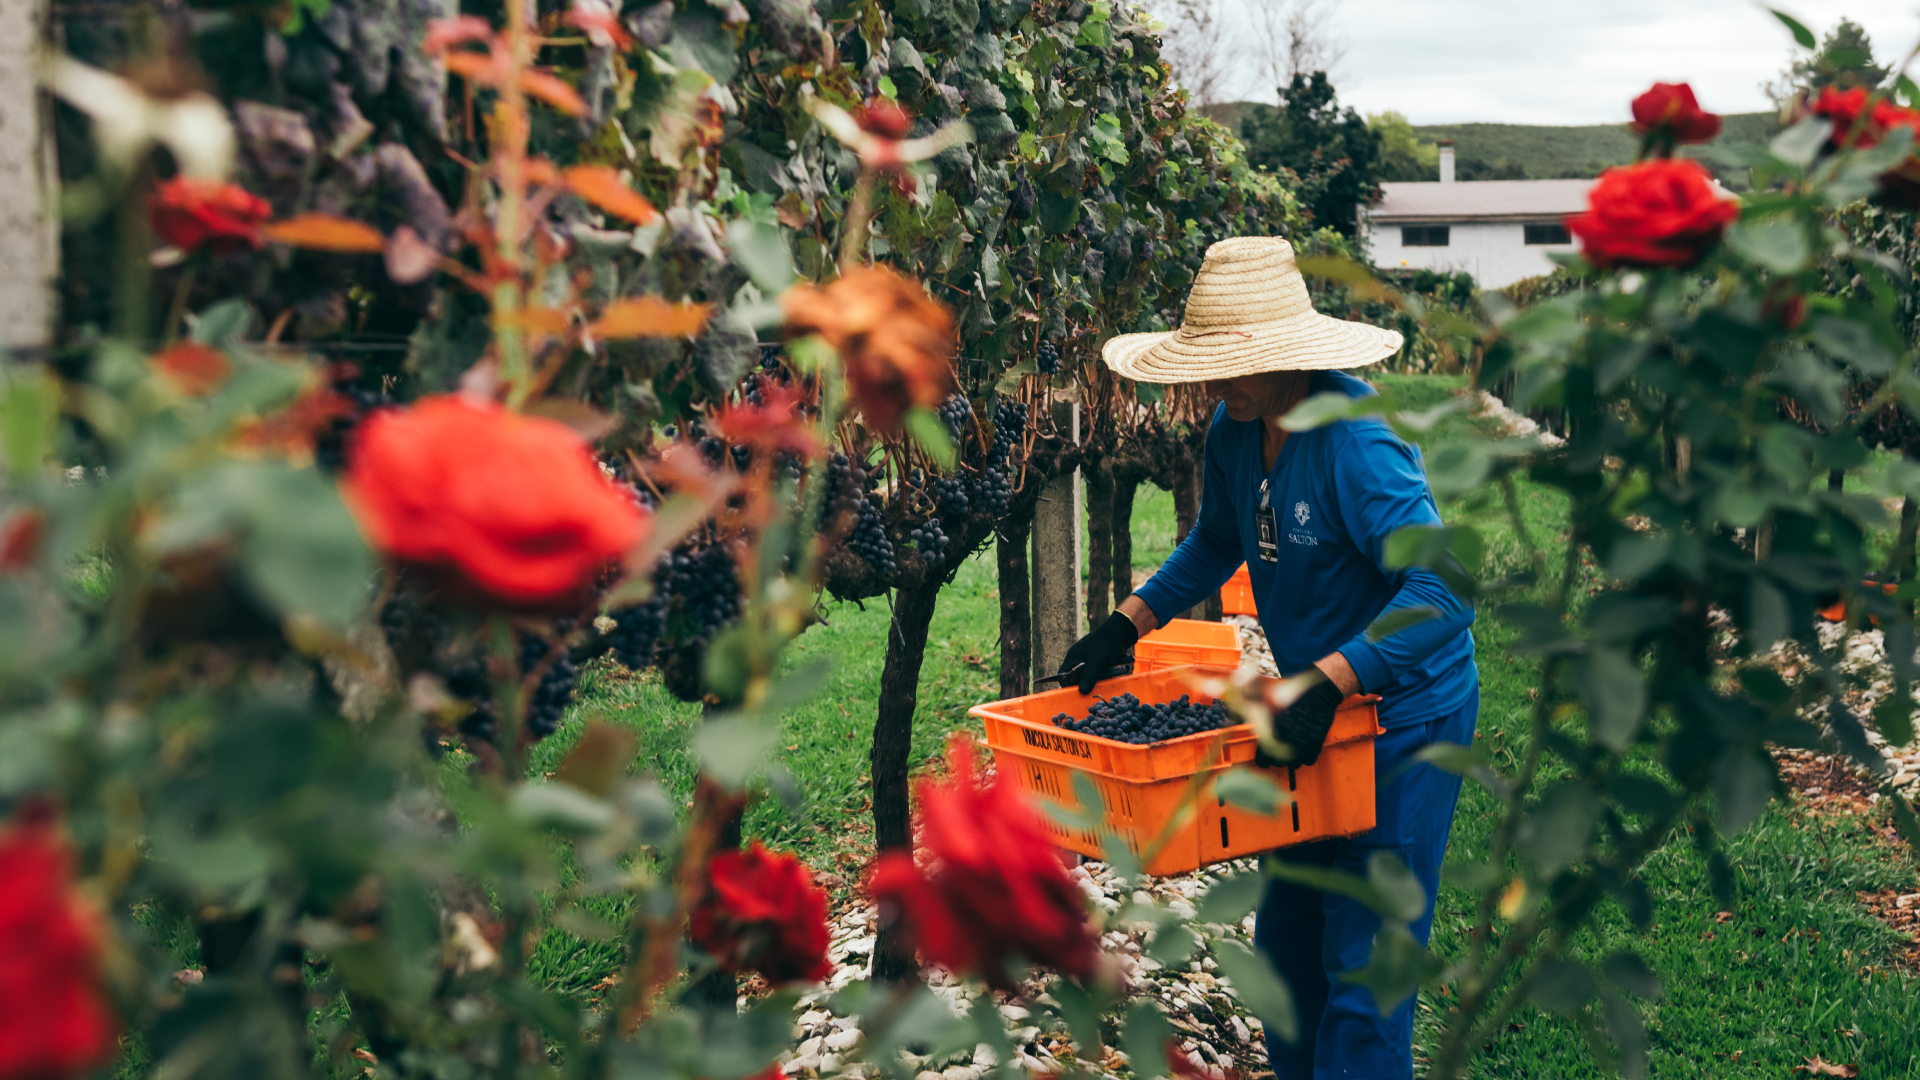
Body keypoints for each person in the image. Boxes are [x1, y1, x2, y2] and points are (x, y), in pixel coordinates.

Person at [1058, 237, 1478, 1080]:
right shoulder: (1237, 426)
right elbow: (1219, 541)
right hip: (1317, 718)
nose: (1212, 381)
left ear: (1288, 357)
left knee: (1366, 966)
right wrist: (1127, 623)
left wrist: (1332, 678)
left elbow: (1444, 591)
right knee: (1288, 946)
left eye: (1229, 363)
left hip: (1402, 721)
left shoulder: (1354, 442)